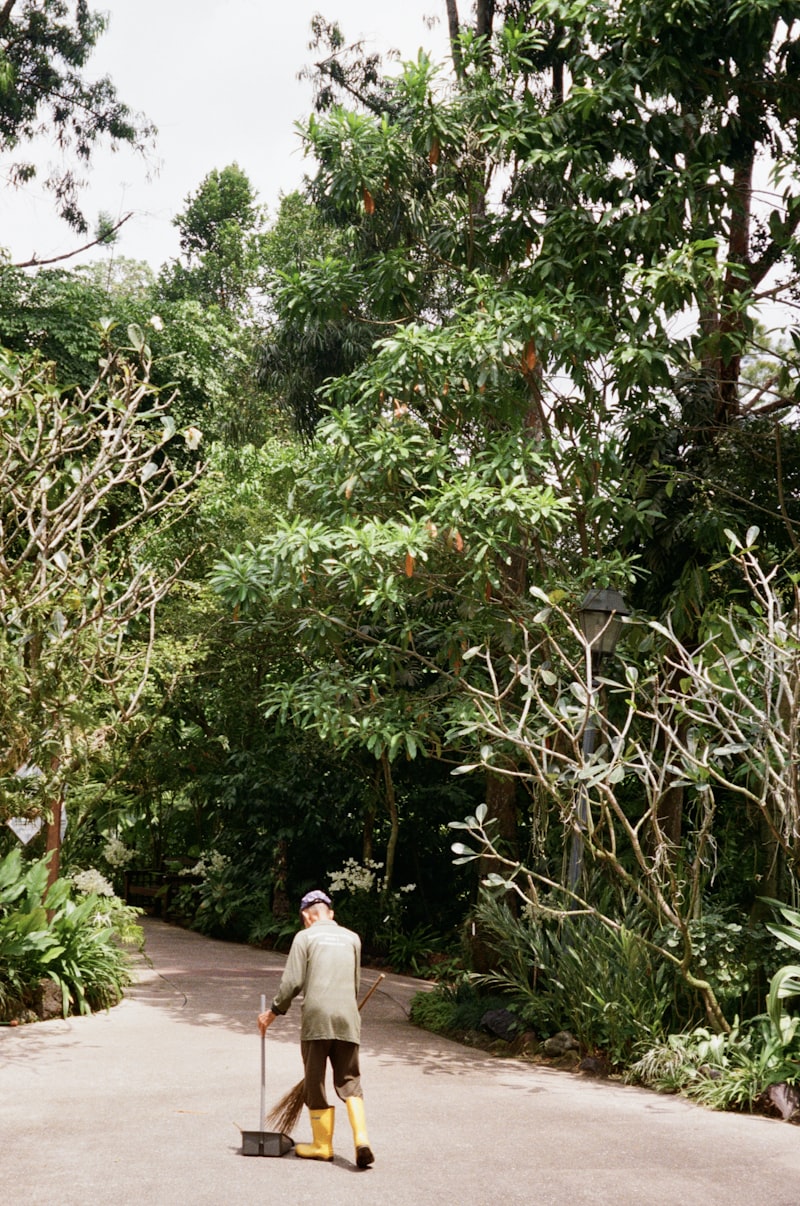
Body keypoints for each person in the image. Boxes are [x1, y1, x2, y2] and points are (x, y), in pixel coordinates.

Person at [257, 888, 375, 1168]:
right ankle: (362, 1140)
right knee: (350, 1081)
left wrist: (272, 1012)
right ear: (330, 915)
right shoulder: (352, 938)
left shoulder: (305, 937)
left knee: (315, 1081)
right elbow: (355, 983)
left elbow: (292, 983)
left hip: (317, 1019)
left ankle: (322, 1145)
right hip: (348, 1017)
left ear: (306, 917)